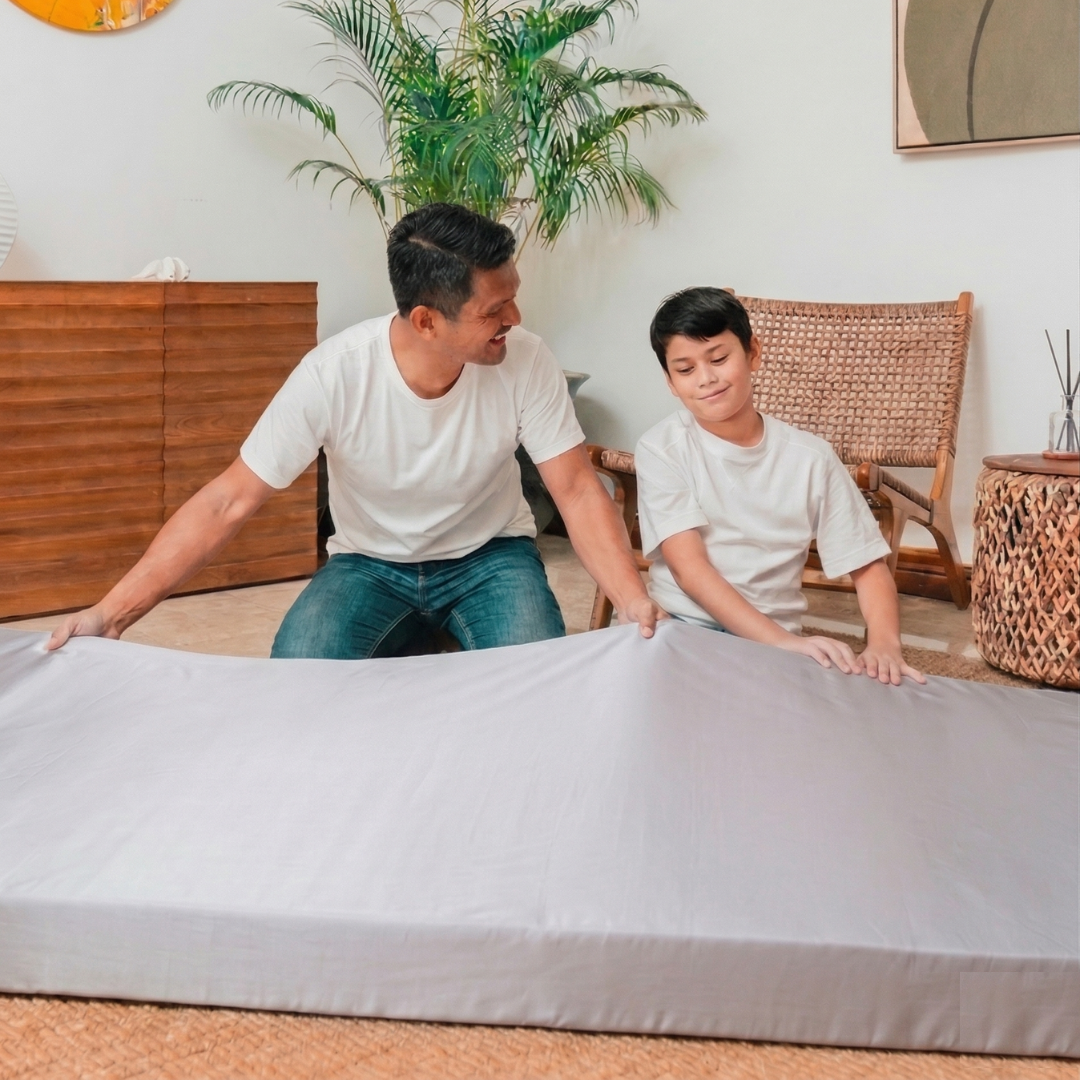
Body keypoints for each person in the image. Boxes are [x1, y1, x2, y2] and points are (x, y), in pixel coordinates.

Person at [48, 203, 664, 656]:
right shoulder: (334, 373)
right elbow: (228, 500)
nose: (515, 318)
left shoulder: (526, 358)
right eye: (493, 311)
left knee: (538, 685)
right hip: (369, 564)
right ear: (426, 321)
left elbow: (578, 490)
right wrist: (112, 612)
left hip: (491, 559)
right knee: (295, 680)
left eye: (513, 299)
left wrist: (631, 599)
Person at [634, 287, 924, 685]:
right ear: (670, 381)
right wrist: (783, 643)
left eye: (719, 358)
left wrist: (885, 643)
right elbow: (690, 571)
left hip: (773, 636)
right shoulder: (662, 448)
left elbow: (868, 565)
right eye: (685, 370)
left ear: (753, 352)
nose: (706, 379)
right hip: (682, 626)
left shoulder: (812, 458)